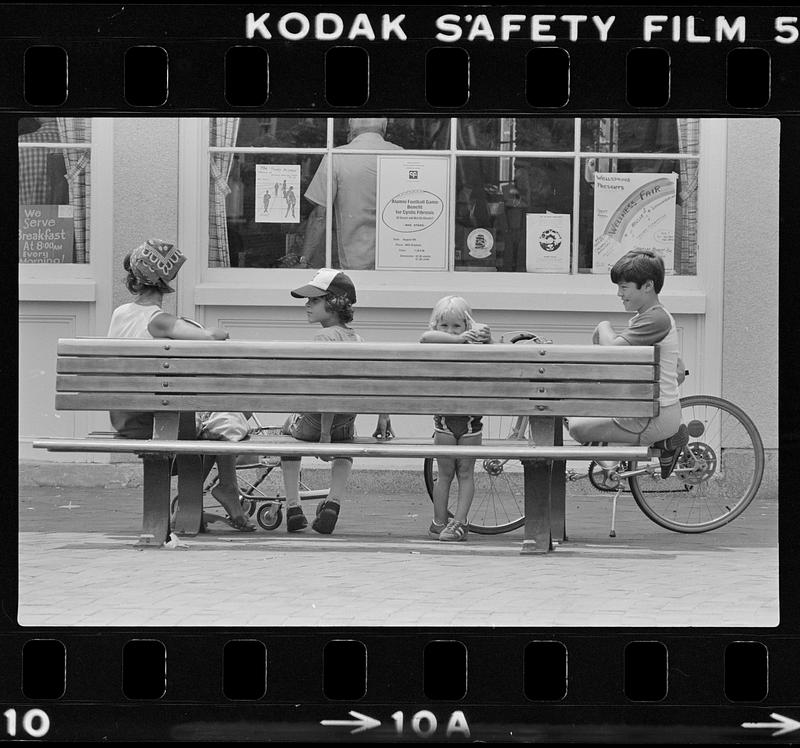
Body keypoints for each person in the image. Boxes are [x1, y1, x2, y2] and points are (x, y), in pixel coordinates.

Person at [107, 238, 256, 532]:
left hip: (124, 417)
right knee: (225, 420)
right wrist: (218, 332)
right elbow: (211, 339)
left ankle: (206, 499)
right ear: (166, 282)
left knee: (216, 418)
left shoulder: (120, 313)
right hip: (152, 420)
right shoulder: (159, 321)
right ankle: (221, 492)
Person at [280, 268, 394, 534]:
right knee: (347, 439)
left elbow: (327, 390)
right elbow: (375, 381)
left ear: (333, 303)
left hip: (316, 428)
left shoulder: (322, 339)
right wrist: (384, 415)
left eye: (314, 300)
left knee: (287, 431)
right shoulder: (358, 340)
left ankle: (293, 506)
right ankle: (333, 502)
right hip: (344, 429)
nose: (307, 305)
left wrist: (323, 435)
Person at [566, 250, 688, 479]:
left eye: (624, 287)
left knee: (576, 426)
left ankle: (663, 443)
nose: (619, 294)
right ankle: (613, 458)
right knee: (577, 412)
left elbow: (613, 351)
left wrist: (603, 326)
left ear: (648, 286)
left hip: (654, 417)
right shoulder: (648, 317)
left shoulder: (655, 319)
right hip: (648, 409)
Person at [420, 296, 492, 542]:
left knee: (466, 472)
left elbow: (492, 349)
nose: (450, 331)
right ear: (436, 326)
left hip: (471, 421)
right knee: (445, 473)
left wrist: (484, 336)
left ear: (467, 326)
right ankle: (439, 522)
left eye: (457, 326)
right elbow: (425, 337)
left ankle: (459, 522)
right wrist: (459, 338)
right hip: (445, 421)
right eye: (445, 326)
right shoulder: (436, 343)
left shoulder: (474, 347)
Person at [299, 117, 403, 270]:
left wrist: (303, 260)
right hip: (398, 253)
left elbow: (320, 215)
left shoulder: (337, 156)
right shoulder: (402, 154)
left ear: (351, 129)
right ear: (384, 128)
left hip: (355, 258)